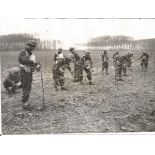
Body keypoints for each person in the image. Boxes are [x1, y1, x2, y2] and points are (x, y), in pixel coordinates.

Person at [18, 40, 41, 110]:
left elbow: (33, 63)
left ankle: (25, 101)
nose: (33, 48)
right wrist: (33, 63)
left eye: (34, 47)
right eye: (32, 46)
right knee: (26, 87)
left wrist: (38, 65)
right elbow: (22, 60)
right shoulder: (23, 52)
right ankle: (24, 103)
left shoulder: (31, 53)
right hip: (24, 72)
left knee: (28, 87)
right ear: (28, 45)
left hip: (29, 72)